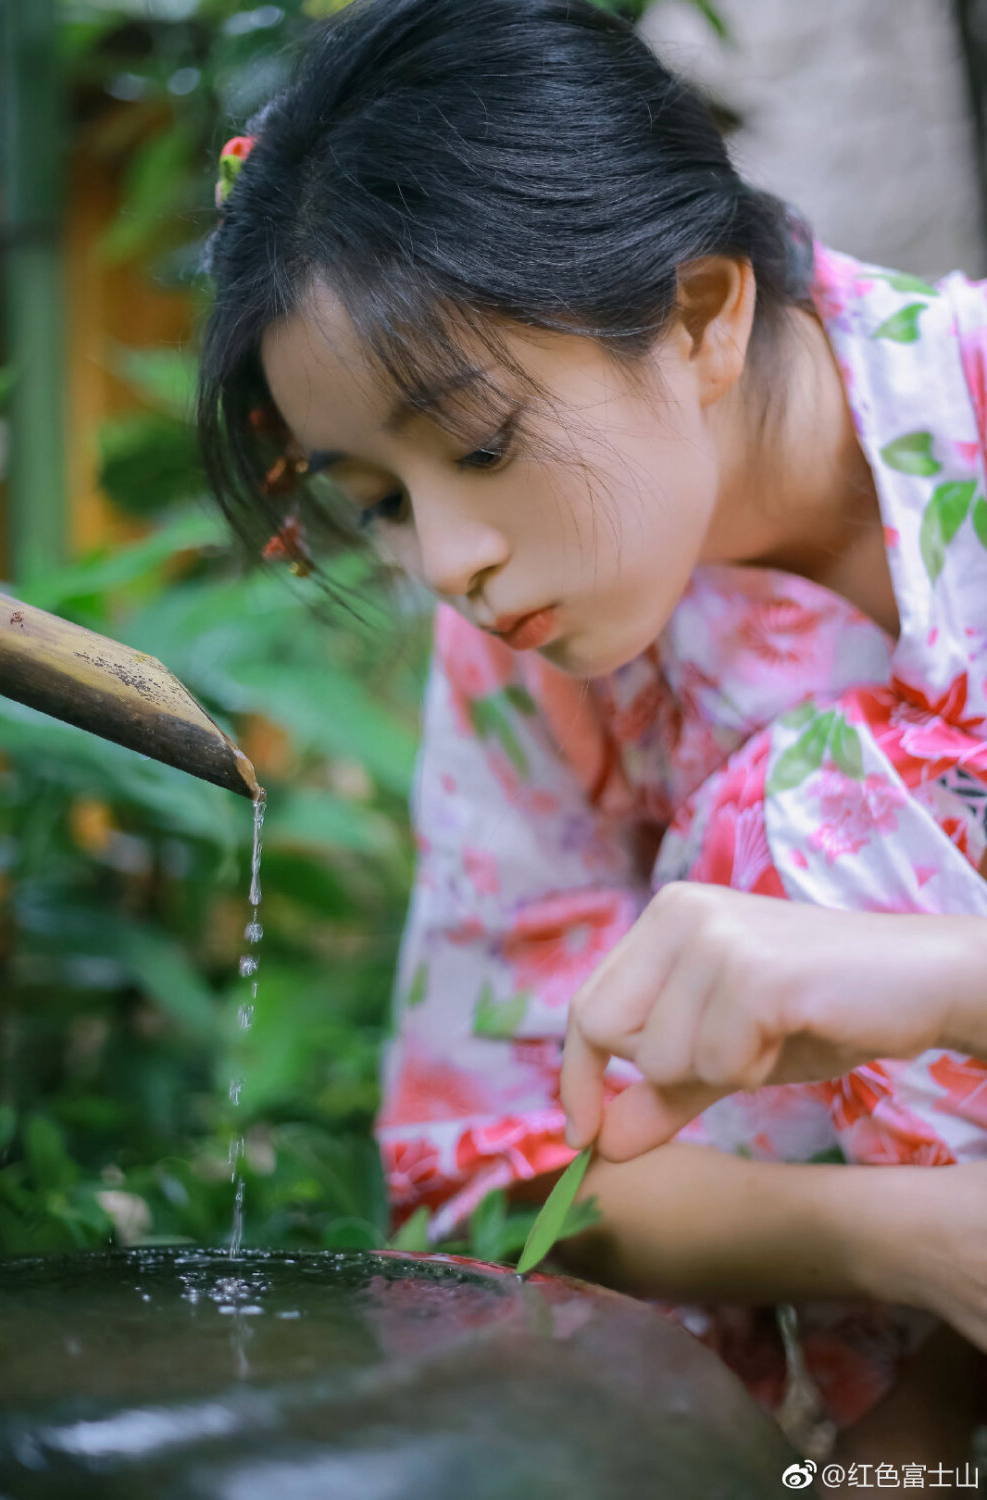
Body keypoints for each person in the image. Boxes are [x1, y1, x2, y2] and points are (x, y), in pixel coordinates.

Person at [197, 0, 987, 1467]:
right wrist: (908, 1237)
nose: (446, 560)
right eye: (380, 500)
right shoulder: (525, 657)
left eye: (480, 443)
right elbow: (478, 1170)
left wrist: (938, 981)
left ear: (700, 313)